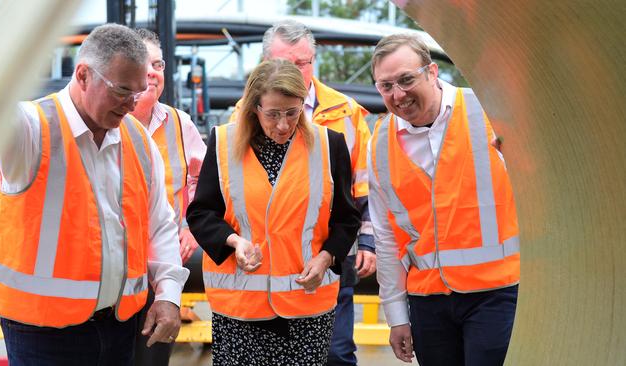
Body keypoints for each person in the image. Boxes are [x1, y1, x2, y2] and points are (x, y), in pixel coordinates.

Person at [0, 24, 189, 365]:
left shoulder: (137, 140)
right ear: (83, 75)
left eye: (138, 92)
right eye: (122, 90)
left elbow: (160, 225)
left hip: (120, 326)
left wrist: (168, 295)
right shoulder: (30, 131)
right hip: (41, 334)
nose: (131, 104)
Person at [188, 58, 360, 365]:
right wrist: (234, 242)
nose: (283, 125)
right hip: (240, 310)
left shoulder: (329, 145)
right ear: (255, 107)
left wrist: (326, 257)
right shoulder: (223, 143)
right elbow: (201, 213)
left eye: (292, 113)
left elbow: (347, 219)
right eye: (273, 114)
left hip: (306, 308)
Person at [368, 33, 520, 365]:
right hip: (427, 301)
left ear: (432, 72)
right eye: (386, 86)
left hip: (495, 293)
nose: (398, 94)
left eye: (406, 79)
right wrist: (396, 315)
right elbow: (386, 236)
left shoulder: (489, 112)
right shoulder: (379, 143)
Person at [231, 20, 375, 365]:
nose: (296, 71)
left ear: (314, 61)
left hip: (328, 256)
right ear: (265, 64)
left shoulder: (346, 112)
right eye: (285, 62)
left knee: (335, 355)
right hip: (267, 264)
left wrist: (367, 242)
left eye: (303, 62)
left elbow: (366, 185)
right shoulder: (244, 116)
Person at [130, 28, 207, 366]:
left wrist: (191, 227)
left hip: (161, 267)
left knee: (151, 356)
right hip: (113, 268)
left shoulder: (179, 123)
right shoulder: (104, 122)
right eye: (144, 65)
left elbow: (207, 185)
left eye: (158, 65)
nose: (153, 73)